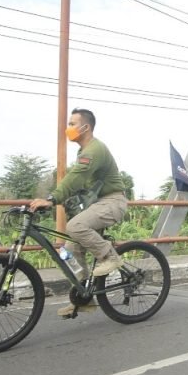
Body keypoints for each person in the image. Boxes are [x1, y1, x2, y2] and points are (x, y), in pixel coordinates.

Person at [30, 108, 128, 317]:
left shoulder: (94, 150)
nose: (69, 128)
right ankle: (84, 298)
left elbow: (74, 178)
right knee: (70, 250)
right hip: (98, 203)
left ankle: (111, 257)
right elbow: (79, 184)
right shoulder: (83, 151)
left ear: (86, 127)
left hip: (113, 201)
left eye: (73, 124)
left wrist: (51, 199)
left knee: (74, 226)